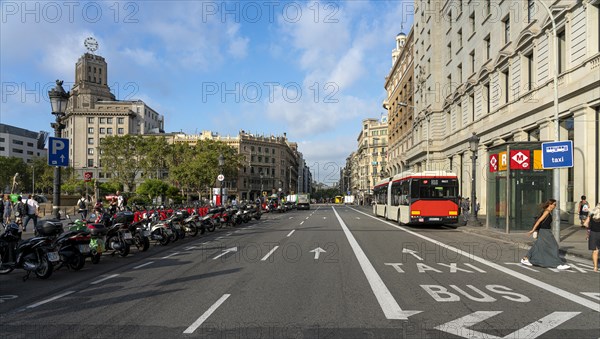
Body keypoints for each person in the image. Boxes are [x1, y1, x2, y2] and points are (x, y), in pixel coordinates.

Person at [521, 199, 570, 270]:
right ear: (550, 204)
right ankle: (558, 264)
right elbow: (539, 221)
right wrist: (533, 230)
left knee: (538, 245)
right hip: (545, 232)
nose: (555, 206)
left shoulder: (548, 212)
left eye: (555, 204)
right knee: (554, 246)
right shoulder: (546, 211)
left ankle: (525, 258)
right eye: (554, 204)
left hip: (545, 231)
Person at [583, 203, 600, 272]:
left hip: (593, 234)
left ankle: (595, 267)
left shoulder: (591, 215)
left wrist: (590, 227)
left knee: (595, 251)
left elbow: (585, 224)